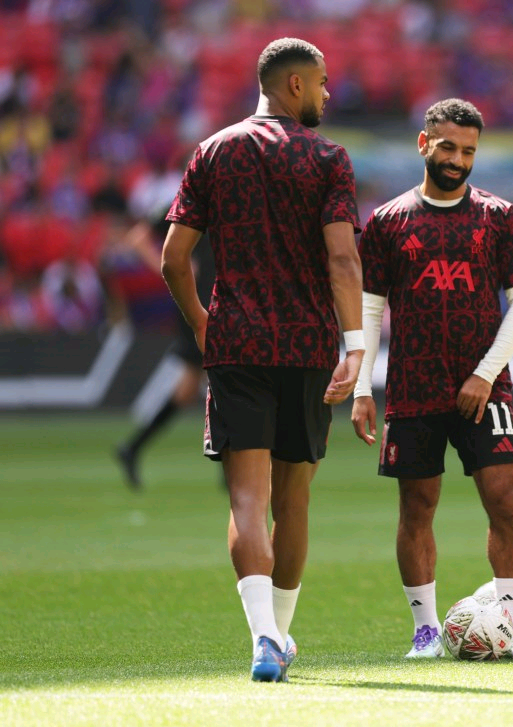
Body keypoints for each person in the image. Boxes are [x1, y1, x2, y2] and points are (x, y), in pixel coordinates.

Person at [161, 37, 365, 682]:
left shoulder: (213, 151)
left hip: (238, 343)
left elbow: (173, 259)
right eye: (323, 82)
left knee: (247, 500)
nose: (328, 93)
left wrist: (203, 323)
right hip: (308, 345)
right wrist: (357, 345)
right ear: (295, 85)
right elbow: (342, 259)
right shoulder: (328, 158)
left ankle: (264, 640)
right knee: (293, 501)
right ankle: (281, 630)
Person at [349, 98, 513, 660]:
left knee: (505, 501)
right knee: (417, 506)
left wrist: (484, 373)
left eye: (468, 151)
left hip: (485, 387)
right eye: (449, 147)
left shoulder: (499, 216)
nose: (458, 159)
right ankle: (426, 632)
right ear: (424, 144)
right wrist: (361, 387)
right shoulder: (386, 222)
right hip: (413, 385)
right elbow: (369, 310)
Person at [115, 211, 215, 490]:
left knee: (188, 390)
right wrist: (174, 270)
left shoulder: (228, 200)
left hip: (215, 305)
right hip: (199, 309)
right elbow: (138, 239)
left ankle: (133, 447)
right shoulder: (190, 200)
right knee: (225, 380)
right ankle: (231, 467)